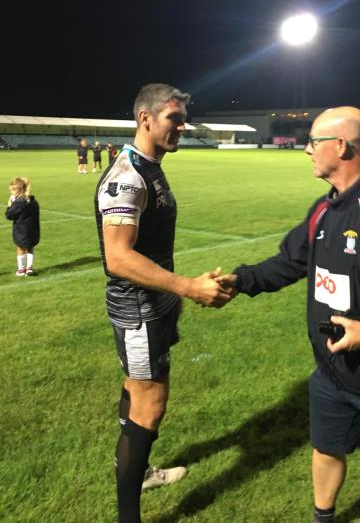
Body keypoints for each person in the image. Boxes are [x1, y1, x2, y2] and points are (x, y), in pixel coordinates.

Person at [218, 107, 360, 523]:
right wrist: (239, 281)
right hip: (333, 372)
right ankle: (322, 519)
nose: (307, 150)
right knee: (326, 448)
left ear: (340, 146)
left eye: (313, 141)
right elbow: (290, 261)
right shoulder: (324, 210)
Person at [95, 83, 233, 523]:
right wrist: (186, 286)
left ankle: (139, 473)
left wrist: (178, 293)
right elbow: (118, 257)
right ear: (145, 119)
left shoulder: (151, 167)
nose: (182, 126)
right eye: (174, 118)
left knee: (137, 394)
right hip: (138, 311)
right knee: (149, 405)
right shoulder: (126, 176)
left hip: (155, 307)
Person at [5, 177, 40, 276]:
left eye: (12, 190)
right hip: (33, 229)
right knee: (30, 247)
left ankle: (21, 269)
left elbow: (9, 215)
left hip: (21, 230)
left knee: (20, 248)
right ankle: (29, 268)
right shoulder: (33, 201)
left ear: (18, 190)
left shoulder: (19, 203)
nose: (11, 192)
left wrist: (10, 205)